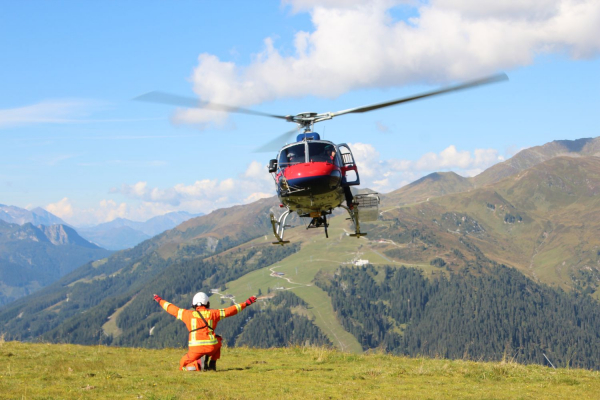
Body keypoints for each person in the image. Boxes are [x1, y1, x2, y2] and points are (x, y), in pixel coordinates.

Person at [153, 291, 257, 372]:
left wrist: (159, 300)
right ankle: (212, 363)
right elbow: (230, 310)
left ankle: (197, 366)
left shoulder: (186, 314)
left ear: (194, 305)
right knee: (218, 340)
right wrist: (246, 303)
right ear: (207, 303)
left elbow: (171, 308)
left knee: (183, 365)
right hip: (211, 347)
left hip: (195, 349)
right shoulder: (214, 313)